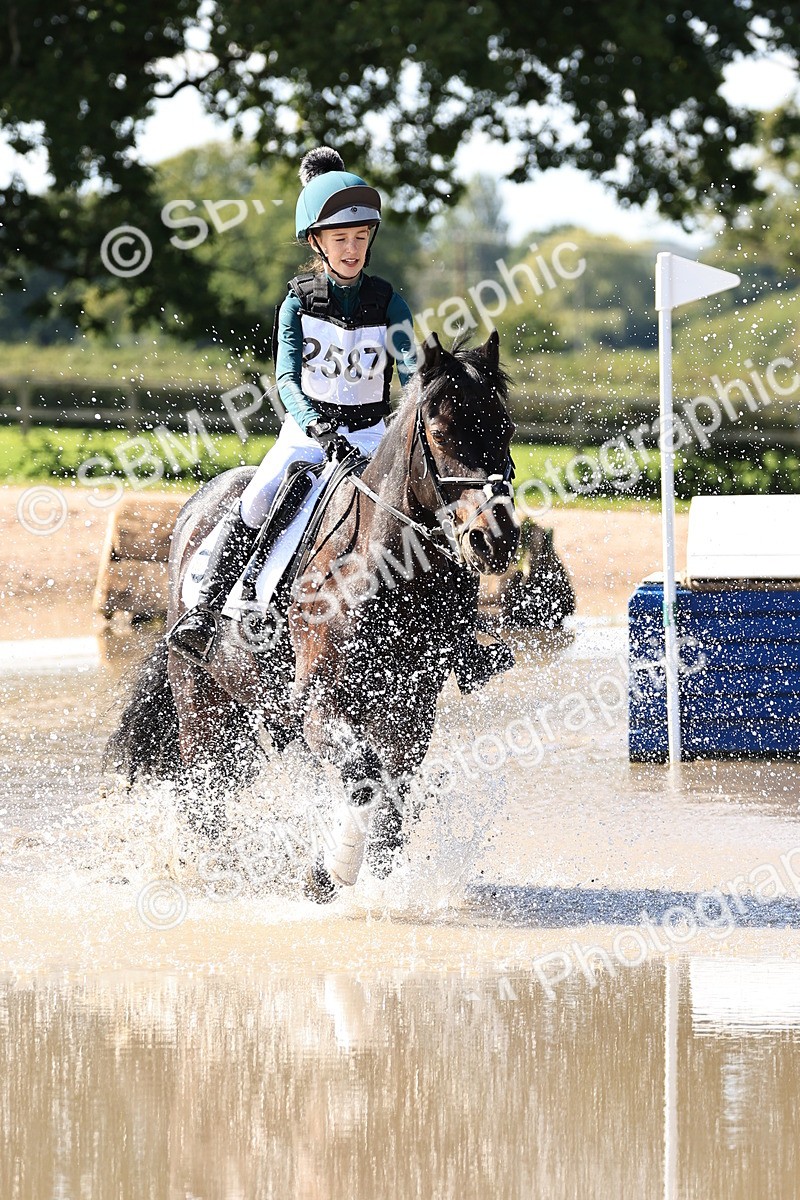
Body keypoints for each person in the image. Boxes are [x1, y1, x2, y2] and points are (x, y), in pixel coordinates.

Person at [167, 147, 513, 690]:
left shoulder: (389, 304)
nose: (352, 249)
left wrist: (429, 394)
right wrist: (316, 427)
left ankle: (458, 633)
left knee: (426, 501)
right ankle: (209, 609)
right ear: (317, 242)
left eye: (360, 238)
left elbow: (409, 370)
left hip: (372, 433)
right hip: (309, 432)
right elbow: (285, 381)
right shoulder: (297, 304)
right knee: (261, 498)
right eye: (340, 239)